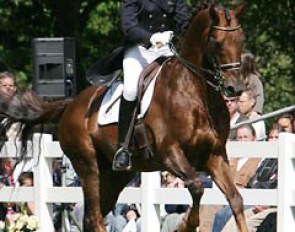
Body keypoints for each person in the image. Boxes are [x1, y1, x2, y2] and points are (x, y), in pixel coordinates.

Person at [112, 0, 189, 171]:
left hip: (165, 48)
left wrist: (175, 33)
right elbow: (129, 27)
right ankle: (123, 148)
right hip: (139, 50)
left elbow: (184, 20)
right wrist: (151, 37)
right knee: (131, 89)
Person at [221, 123, 284, 232]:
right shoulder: (267, 162)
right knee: (224, 218)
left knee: (238, 221)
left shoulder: (287, 165)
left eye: (277, 137)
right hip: (254, 202)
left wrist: (267, 204)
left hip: (270, 207)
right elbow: (253, 183)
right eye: (271, 137)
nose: (273, 140)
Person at [212, 124, 261, 232]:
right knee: (207, 207)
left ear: (254, 139)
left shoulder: (259, 159)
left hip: (246, 199)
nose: (242, 141)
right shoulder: (231, 158)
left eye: (245, 137)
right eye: (240, 138)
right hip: (226, 197)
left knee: (224, 214)